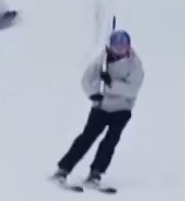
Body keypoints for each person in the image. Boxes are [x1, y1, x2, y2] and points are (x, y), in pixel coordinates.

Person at [51, 29, 143, 192]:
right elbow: (86, 80)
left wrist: (110, 84)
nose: (120, 49)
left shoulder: (135, 64)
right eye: (116, 45)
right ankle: (63, 169)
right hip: (101, 106)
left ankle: (96, 173)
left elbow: (132, 89)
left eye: (123, 45)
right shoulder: (102, 60)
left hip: (122, 109)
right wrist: (94, 94)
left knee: (110, 141)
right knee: (86, 138)